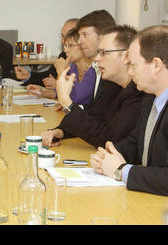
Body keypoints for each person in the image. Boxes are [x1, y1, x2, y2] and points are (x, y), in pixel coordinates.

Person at [90, 25, 168, 196]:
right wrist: (107, 157)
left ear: (156, 65)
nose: (130, 72)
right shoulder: (150, 99)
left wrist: (122, 171)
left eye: (134, 65)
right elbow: (136, 143)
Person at [41, 25, 145, 148]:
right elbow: (94, 117)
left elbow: (108, 139)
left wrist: (67, 103)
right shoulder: (112, 85)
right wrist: (61, 131)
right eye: (98, 52)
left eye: (103, 53)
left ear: (126, 56)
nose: (96, 59)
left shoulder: (141, 94)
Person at [27, 28, 95, 106]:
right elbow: (60, 92)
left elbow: (75, 98)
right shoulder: (73, 67)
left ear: (83, 46)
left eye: (70, 46)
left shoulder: (92, 71)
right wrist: (42, 92)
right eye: (65, 46)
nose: (66, 50)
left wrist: (62, 73)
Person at [15, 18, 78, 88]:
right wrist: (28, 75)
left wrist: (58, 85)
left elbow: (80, 93)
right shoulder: (63, 55)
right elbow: (48, 76)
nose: (63, 41)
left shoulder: (86, 64)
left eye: (67, 36)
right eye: (62, 36)